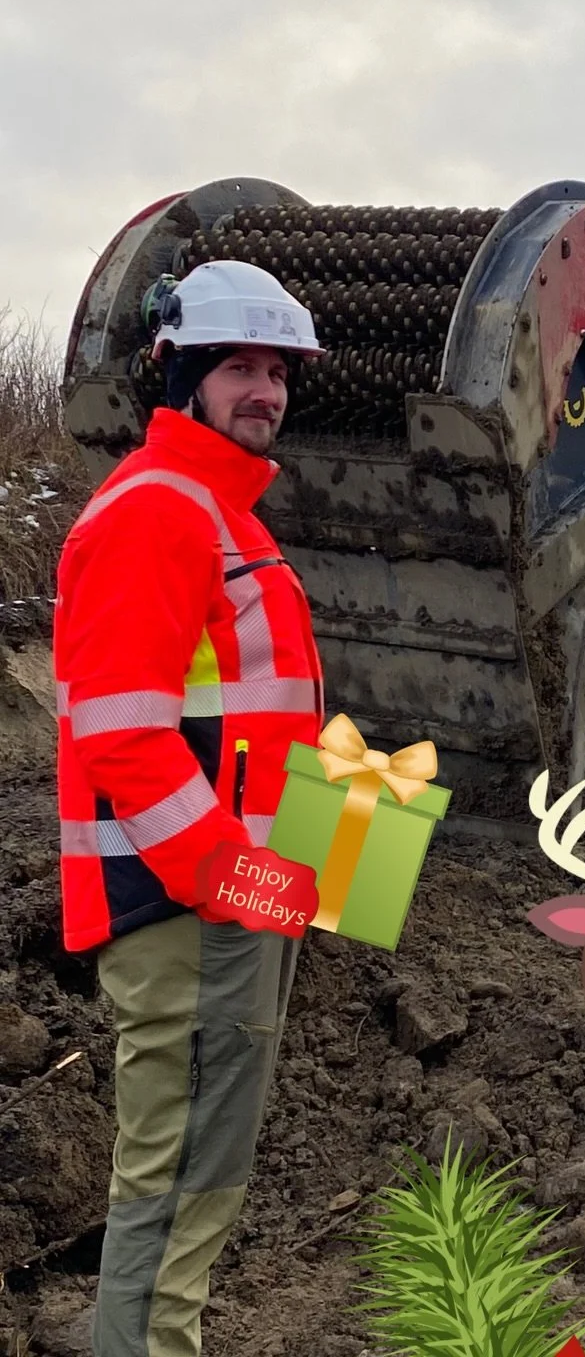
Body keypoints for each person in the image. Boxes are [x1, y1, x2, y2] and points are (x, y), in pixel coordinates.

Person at [53, 260, 327, 1357]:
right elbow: (123, 736)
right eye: (239, 369)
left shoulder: (218, 513)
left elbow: (248, 723)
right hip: (191, 916)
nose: (264, 391)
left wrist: (328, 849)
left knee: (194, 1178)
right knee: (178, 1185)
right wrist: (244, 883)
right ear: (182, 378)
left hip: (223, 906)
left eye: (278, 371)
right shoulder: (164, 516)